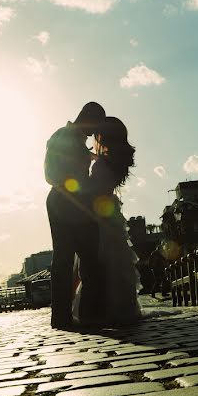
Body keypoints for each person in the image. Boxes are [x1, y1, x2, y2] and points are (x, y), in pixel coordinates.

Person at [44, 101, 107, 330]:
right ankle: (63, 317)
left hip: (76, 204)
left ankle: (84, 315)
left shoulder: (77, 141)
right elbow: (50, 173)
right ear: (86, 118)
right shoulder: (64, 136)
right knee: (66, 259)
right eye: (95, 125)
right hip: (65, 202)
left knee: (88, 260)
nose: (94, 132)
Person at [73, 115, 142, 325]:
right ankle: (118, 307)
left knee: (99, 263)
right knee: (114, 263)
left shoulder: (103, 163)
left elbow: (93, 190)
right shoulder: (111, 161)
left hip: (99, 215)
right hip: (109, 214)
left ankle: (99, 310)